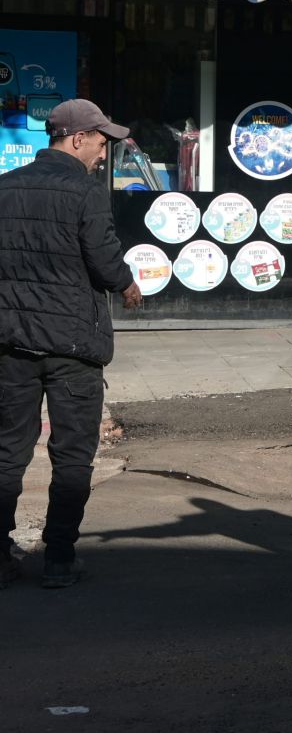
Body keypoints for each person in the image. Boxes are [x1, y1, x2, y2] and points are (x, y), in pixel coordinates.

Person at [0, 98, 142, 589]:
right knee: (73, 455)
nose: (104, 154)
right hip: (73, 348)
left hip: (11, 345)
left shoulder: (5, 188)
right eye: (101, 143)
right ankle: (59, 559)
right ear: (77, 138)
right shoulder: (85, 192)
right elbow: (103, 261)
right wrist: (128, 284)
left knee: (6, 453)